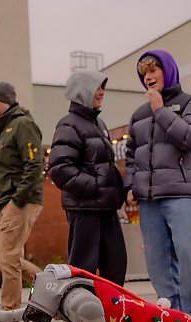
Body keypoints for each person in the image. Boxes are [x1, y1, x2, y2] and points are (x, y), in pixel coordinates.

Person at [124, 50, 191, 322]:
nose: (148, 77)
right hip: (149, 199)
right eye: (144, 74)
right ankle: (173, 317)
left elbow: (190, 138)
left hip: (182, 194)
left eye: (153, 71)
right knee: (158, 264)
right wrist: (130, 185)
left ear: (169, 70)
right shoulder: (138, 114)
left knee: (188, 256)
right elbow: (131, 154)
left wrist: (160, 111)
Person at [48, 70, 127, 285]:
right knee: (84, 267)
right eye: (97, 87)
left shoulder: (99, 125)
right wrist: (94, 186)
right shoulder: (68, 125)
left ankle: (112, 314)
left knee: (116, 264)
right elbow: (59, 167)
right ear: (82, 91)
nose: (102, 92)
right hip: (85, 209)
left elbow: (104, 165)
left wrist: (118, 190)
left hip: (106, 207)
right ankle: (82, 316)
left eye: (103, 87)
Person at [0, 81, 44, 322]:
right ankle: (52, 288)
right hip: (4, 202)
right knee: (11, 258)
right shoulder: (2, 129)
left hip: (18, 200)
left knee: (7, 258)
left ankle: (9, 313)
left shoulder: (22, 124)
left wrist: (16, 200)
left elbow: (34, 165)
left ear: (6, 101)